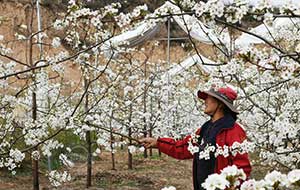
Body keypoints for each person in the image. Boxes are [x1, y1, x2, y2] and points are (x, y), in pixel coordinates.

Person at [140, 86, 251, 190]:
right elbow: (184, 148)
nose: (205, 101)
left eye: (209, 98)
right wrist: (157, 143)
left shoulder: (233, 130)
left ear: (220, 104)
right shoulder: (205, 128)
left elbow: (242, 169)